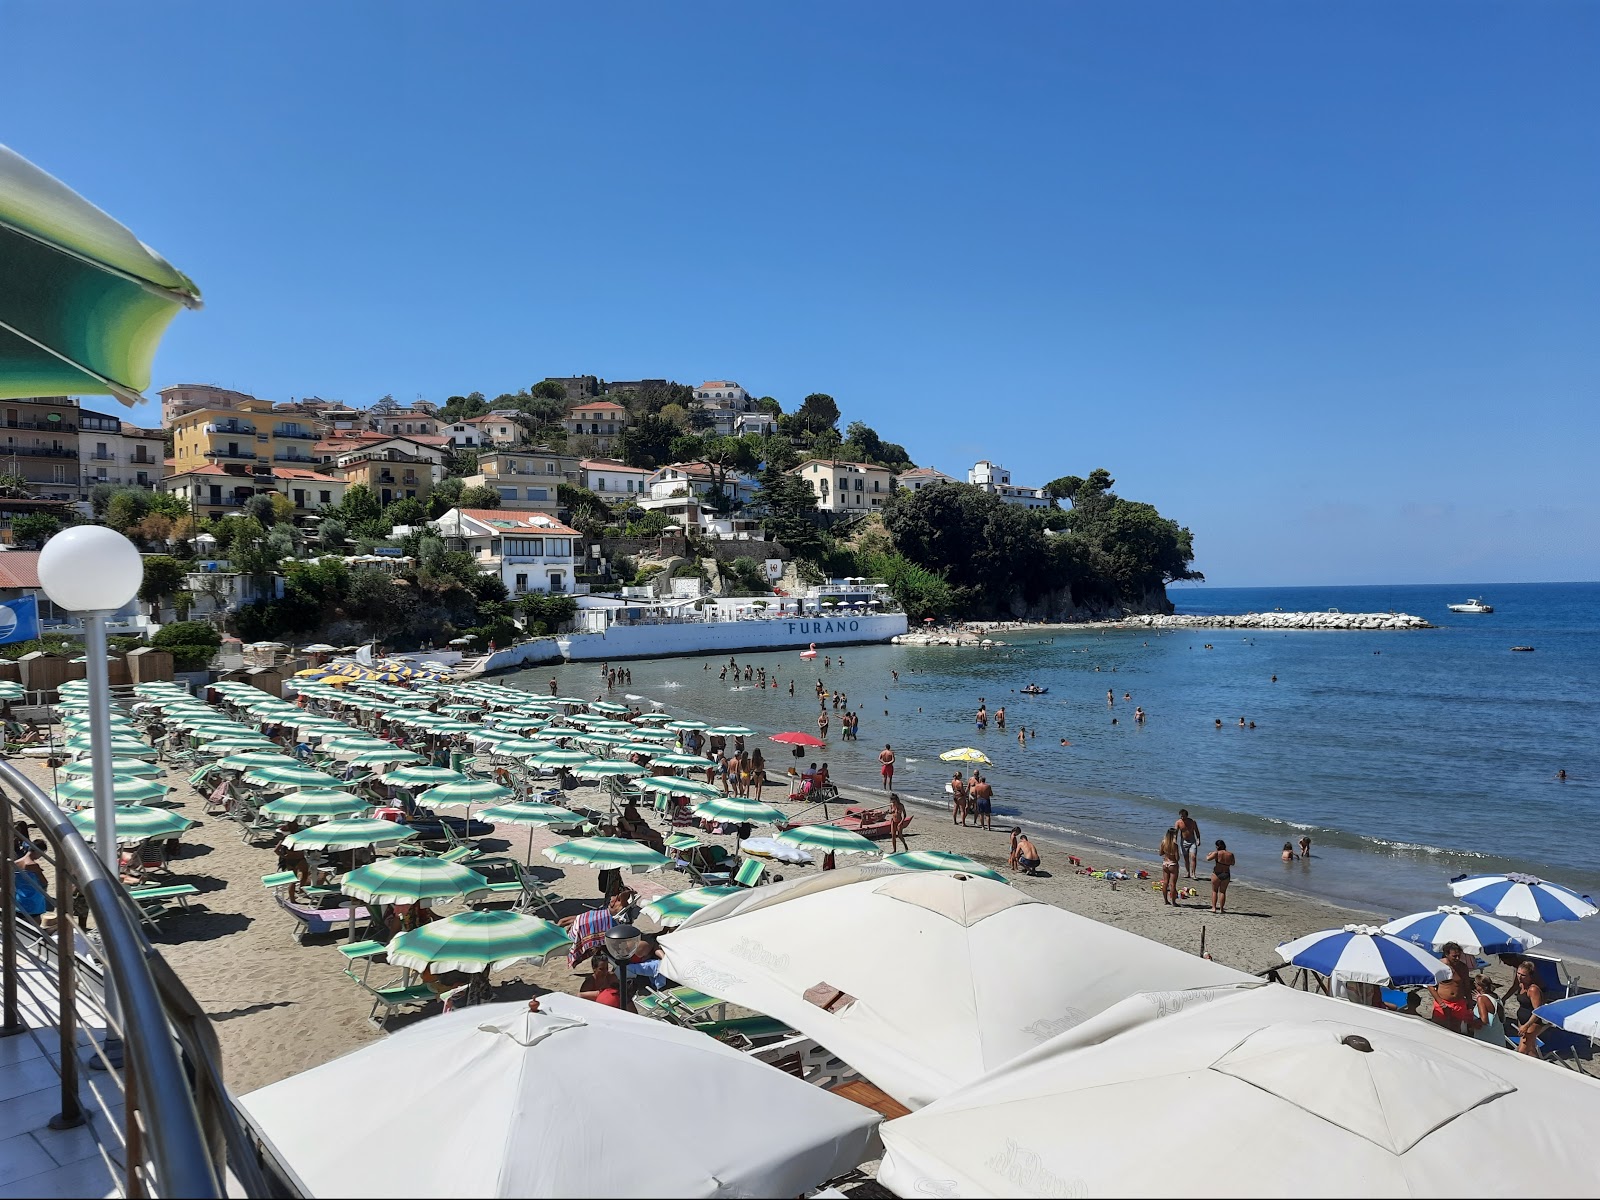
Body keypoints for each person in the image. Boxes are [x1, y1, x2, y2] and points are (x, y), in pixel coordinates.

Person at [1507, 959, 1547, 1056]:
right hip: (1522, 1020)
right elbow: (1513, 988)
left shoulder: (1533, 989)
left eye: (1523, 975)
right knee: (1531, 1049)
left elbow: (1537, 1011)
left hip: (1532, 1023)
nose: (1519, 977)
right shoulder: (1521, 985)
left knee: (1522, 1051)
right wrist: (1504, 999)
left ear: (1530, 976)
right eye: (1518, 973)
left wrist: (1526, 1025)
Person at [1471, 977, 1505, 1046]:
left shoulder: (1481, 999)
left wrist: (1469, 1022)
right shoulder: (1495, 996)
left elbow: (1484, 1020)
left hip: (1486, 1038)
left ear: (1480, 986)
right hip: (1498, 1036)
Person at [1204, 839, 1234, 914]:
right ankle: (1221, 909)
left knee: (1214, 891)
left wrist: (1209, 854)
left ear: (1217, 846)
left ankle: (1214, 908)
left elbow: (1208, 859)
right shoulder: (1230, 854)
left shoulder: (1216, 853)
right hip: (1226, 873)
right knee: (1223, 892)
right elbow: (1233, 863)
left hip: (1217, 873)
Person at [1158, 828, 1181, 905]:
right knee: (1173, 884)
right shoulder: (1175, 845)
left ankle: (1166, 901)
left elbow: (1160, 853)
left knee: (1165, 882)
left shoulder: (1163, 842)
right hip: (1173, 864)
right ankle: (1173, 902)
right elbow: (1177, 858)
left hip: (1165, 863)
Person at [1176, 810, 1200, 879]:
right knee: (1186, 858)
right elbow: (1176, 832)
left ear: (1187, 815)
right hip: (1184, 841)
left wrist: (1198, 839)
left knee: (1193, 857)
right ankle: (1187, 872)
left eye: (1183, 816)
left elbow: (1197, 831)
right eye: (1181, 816)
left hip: (1192, 841)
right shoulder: (1178, 822)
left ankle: (1193, 873)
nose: (1182, 817)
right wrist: (1174, 840)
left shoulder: (1192, 822)